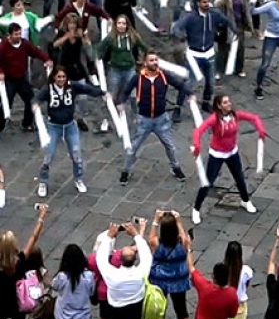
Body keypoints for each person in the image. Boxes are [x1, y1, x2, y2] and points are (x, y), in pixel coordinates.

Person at [116, 51, 195, 185]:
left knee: (170, 146)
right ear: (145, 63)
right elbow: (126, 91)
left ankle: (175, 168)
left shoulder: (164, 76)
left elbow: (180, 85)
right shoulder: (138, 78)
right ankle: (126, 171)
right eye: (151, 60)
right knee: (133, 148)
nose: (154, 63)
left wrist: (190, 94)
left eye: (156, 60)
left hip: (161, 119)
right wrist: (121, 103)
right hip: (144, 119)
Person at [191, 91, 265, 223]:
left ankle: (245, 201)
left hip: (232, 153)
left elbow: (254, 118)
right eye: (225, 102)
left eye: (229, 101)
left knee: (239, 178)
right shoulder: (214, 119)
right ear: (219, 106)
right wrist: (197, 146)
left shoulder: (235, 115)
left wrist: (260, 129)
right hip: (217, 154)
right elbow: (198, 131)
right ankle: (196, 209)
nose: (229, 104)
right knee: (207, 183)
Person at [34, 66, 104, 197]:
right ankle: (43, 181)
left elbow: (88, 89)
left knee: (76, 154)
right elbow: (37, 97)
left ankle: (78, 179)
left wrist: (102, 93)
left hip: (70, 125)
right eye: (59, 77)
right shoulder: (48, 89)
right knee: (49, 155)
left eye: (63, 77)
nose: (61, 79)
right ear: (54, 77)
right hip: (54, 126)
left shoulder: (72, 86)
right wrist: (36, 104)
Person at [96, 219, 152, 319]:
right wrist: (136, 234)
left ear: (120, 260)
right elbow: (146, 254)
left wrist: (109, 236)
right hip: (135, 315)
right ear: (135, 260)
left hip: (117, 317)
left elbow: (100, 258)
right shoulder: (141, 273)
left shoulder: (112, 276)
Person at [171, 0, 237, 112]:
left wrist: (235, 31)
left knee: (210, 83)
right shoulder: (190, 17)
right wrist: (181, 35)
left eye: (208, 1)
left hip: (209, 53)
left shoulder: (214, 14)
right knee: (188, 83)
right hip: (194, 55)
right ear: (198, 3)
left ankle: (206, 103)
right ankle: (177, 107)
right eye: (204, 2)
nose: (207, 4)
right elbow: (176, 28)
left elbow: (227, 20)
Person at [0, 204, 48, 319]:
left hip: (0, 305)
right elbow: (33, 238)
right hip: (17, 304)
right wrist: (41, 217)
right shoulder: (19, 261)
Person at [148, 210, 191, 319]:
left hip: (160, 280)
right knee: (181, 310)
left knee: (160, 310)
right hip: (178, 280)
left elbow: (151, 237)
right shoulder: (183, 242)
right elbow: (185, 237)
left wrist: (156, 220)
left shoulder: (156, 243)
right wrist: (178, 221)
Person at [0, 22, 53, 133]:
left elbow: (36, 52)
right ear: (9, 35)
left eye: (19, 33)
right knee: (6, 103)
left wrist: (46, 59)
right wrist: (1, 72)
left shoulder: (25, 44)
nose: (18, 36)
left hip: (22, 79)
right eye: (16, 34)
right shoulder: (3, 46)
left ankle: (27, 123)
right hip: (9, 80)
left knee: (31, 100)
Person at [51, 244, 95, 319]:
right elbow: (91, 292)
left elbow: (54, 286)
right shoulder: (89, 276)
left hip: (62, 317)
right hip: (83, 316)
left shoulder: (62, 277)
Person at [223, 241, 253, 319]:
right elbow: (247, 284)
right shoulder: (246, 270)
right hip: (239, 307)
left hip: (224, 306)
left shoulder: (223, 270)